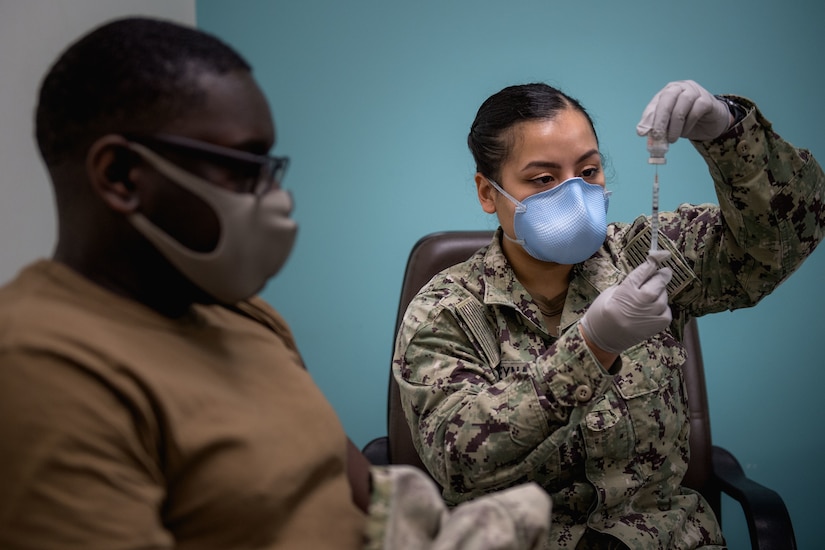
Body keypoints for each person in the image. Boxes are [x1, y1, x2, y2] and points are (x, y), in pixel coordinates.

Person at [0, 17, 553, 550]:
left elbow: (363, 499)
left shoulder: (240, 315)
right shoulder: (39, 366)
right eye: (243, 167)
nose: (273, 198)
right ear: (121, 176)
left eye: (271, 169)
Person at [393, 80, 825, 548]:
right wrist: (592, 347)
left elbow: (784, 238)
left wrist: (729, 133)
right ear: (487, 192)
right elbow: (458, 459)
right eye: (543, 179)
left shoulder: (649, 257)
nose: (574, 194)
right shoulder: (448, 310)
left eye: (589, 170)